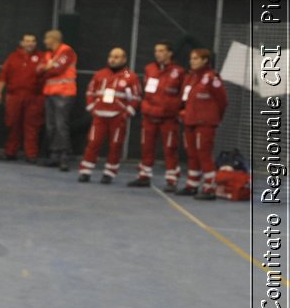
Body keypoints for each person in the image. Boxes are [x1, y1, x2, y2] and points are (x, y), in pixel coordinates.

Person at [130, 40, 187, 191]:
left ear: (170, 53)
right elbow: (147, 92)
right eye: (156, 51)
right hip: (149, 116)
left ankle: (171, 180)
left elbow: (183, 95)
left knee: (170, 148)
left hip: (169, 117)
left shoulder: (179, 72)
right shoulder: (149, 69)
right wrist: (146, 108)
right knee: (146, 147)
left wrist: (178, 110)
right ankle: (144, 176)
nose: (158, 54)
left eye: (161, 50)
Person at [78, 47, 140, 183]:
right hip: (99, 116)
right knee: (93, 143)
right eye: (111, 56)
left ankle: (109, 173)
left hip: (117, 117)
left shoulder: (131, 77)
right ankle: (85, 171)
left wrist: (127, 113)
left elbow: (136, 97)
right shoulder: (100, 74)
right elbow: (90, 92)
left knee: (115, 145)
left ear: (124, 59)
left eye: (117, 57)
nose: (112, 59)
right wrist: (91, 107)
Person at [181, 47, 227, 199]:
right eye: (191, 58)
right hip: (190, 121)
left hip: (205, 123)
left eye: (195, 58)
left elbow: (222, 101)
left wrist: (213, 117)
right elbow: (186, 99)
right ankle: (192, 185)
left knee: (204, 154)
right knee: (192, 154)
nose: (191, 61)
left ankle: (210, 187)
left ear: (205, 60)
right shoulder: (191, 77)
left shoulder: (212, 78)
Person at [0, 33, 44, 162]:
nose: (30, 43)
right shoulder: (12, 57)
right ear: (21, 43)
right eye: (27, 41)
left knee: (32, 126)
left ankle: (31, 154)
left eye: (33, 41)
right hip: (14, 96)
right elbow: (3, 76)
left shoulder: (42, 58)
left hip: (34, 97)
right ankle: (10, 152)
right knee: (12, 124)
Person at [38, 29, 78, 170]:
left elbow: (57, 70)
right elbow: (39, 71)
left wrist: (46, 69)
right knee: (51, 125)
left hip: (64, 93)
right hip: (50, 92)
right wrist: (46, 68)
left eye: (46, 38)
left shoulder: (67, 51)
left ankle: (64, 156)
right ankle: (54, 155)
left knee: (61, 125)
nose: (44, 41)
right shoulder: (48, 54)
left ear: (53, 39)